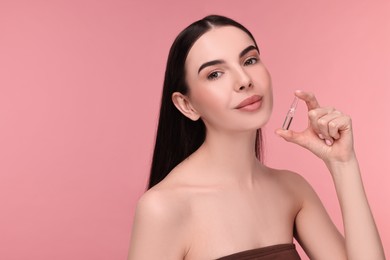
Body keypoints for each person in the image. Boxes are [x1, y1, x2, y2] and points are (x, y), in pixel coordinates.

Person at [128, 15, 385, 259]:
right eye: (215, 73)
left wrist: (343, 164)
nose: (244, 80)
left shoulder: (291, 189)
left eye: (249, 60)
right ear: (187, 105)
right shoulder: (163, 208)